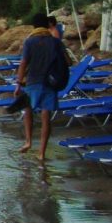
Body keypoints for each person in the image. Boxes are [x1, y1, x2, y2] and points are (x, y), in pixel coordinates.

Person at [14, 12, 67, 161]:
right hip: (50, 82)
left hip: (33, 81)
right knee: (46, 117)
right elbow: (67, 61)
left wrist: (18, 84)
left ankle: (28, 141)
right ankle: (42, 153)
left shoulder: (30, 41)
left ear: (34, 26)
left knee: (28, 110)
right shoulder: (55, 42)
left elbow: (23, 63)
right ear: (47, 24)